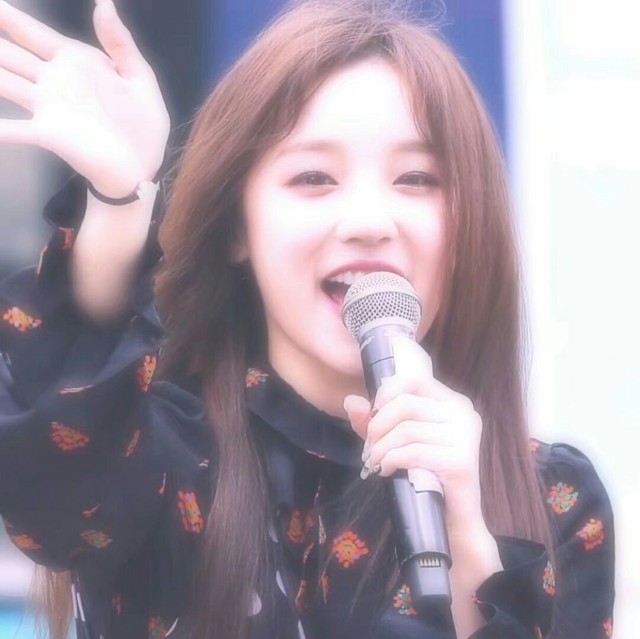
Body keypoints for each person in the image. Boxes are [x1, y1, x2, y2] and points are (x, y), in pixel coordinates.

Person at [0, 0, 615, 638]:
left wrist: (469, 548)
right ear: (237, 226)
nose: (369, 221)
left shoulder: (555, 499)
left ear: (466, 231)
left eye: (415, 178)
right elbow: (50, 482)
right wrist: (117, 199)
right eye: (315, 177)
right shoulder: (160, 453)